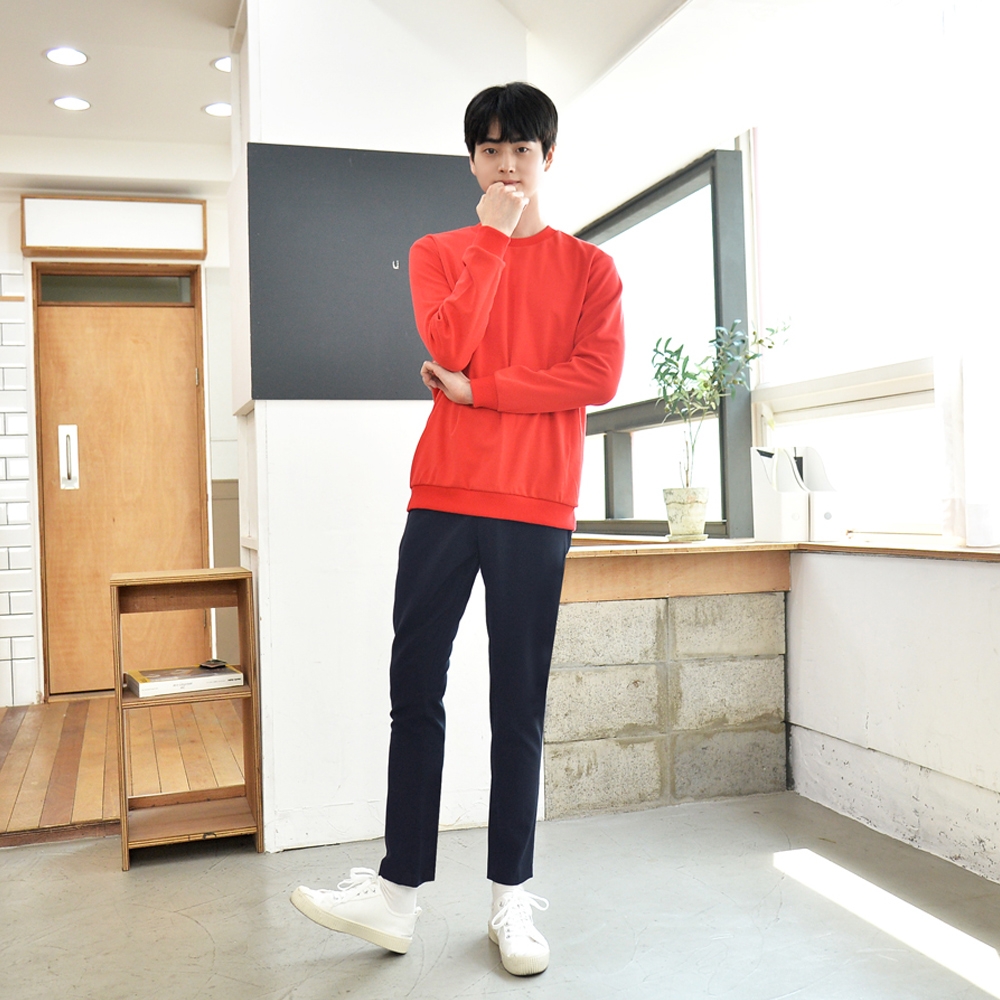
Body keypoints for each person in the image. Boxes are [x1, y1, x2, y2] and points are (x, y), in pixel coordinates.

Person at [291, 81, 625, 977]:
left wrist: (485, 392)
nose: (506, 165)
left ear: (548, 157)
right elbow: (450, 345)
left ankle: (511, 898)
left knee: (517, 703)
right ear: (472, 162)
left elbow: (596, 376)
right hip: (442, 496)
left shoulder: (591, 268)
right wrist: (493, 242)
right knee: (414, 687)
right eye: (490, 150)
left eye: (522, 149)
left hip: (536, 505)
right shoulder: (440, 251)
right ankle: (397, 895)